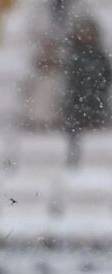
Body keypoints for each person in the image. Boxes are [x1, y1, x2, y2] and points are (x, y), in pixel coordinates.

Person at [61, 14, 111, 165]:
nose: (87, 36)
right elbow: (69, 81)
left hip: (96, 98)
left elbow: (106, 77)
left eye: (89, 33)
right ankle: (73, 157)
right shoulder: (73, 55)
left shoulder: (100, 56)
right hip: (76, 101)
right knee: (75, 126)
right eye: (84, 32)